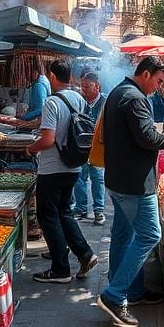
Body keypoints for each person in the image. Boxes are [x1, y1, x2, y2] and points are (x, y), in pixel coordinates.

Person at [98, 56, 164, 327]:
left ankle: (129, 292)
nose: (159, 87)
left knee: (122, 235)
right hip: (134, 183)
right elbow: (147, 137)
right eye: (158, 81)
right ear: (145, 74)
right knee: (150, 234)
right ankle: (114, 295)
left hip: (118, 178)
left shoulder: (118, 92)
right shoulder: (134, 98)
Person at [25, 59, 98, 284]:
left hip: (52, 168)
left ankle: (60, 269)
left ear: (54, 77)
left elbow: (47, 139)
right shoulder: (79, 98)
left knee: (47, 215)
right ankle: (85, 253)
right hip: (74, 165)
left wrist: (30, 148)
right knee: (64, 211)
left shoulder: (52, 101)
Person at [73, 71, 107, 225]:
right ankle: (80, 209)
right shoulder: (79, 102)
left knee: (98, 178)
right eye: (82, 86)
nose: (83, 89)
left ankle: (99, 210)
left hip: (98, 147)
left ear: (97, 86)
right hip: (81, 147)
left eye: (87, 86)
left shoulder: (106, 103)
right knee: (79, 177)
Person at [16, 61, 51, 127]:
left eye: (27, 74)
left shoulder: (39, 85)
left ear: (35, 72)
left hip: (38, 122)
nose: (26, 77)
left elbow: (41, 109)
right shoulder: (42, 80)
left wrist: (24, 117)